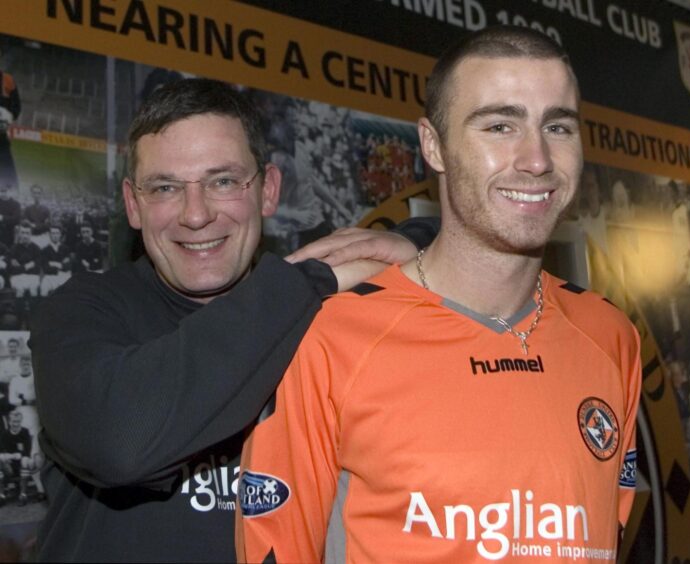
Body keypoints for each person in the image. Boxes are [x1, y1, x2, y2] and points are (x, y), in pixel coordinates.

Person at [236, 26, 641, 563]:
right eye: (500, 125)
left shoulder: (610, 337)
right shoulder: (332, 338)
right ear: (434, 145)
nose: (538, 159)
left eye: (558, 127)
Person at [29, 78, 437, 562]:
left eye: (223, 181)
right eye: (165, 187)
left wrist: (419, 242)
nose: (196, 215)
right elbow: (122, 442)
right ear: (133, 204)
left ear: (268, 191)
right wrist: (301, 286)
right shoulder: (83, 312)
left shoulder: (327, 314)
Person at [0, 45, 20, 192]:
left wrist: (8, 119)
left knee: (6, 162)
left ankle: (12, 190)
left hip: (0, 131)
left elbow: (16, 106)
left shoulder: (8, 80)